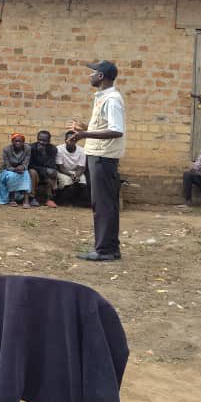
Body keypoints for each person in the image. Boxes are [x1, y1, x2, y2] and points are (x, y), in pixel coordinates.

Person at [69, 60, 126, 262]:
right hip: (98, 156)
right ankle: (109, 247)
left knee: (102, 205)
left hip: (103, 158)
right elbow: (105, 126)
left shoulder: (112, 99)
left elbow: (116, 130)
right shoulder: (103, 97)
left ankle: (105, 250)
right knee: (105, 204)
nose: (89, 76)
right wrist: (85, 127)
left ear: (101, 76)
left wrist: (84, 134)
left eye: (92, 72)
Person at [0, 133, 34, 207]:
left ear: (23, 142)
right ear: (12, 141)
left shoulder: (27, 148)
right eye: (16, 141)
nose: (18, 143)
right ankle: (12, 199)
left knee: (26, 174)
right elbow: (7, 164)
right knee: (11, 176)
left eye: (20, 141)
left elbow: (26, 162)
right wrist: (15, 169)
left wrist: (22, 167)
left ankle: (26, 200)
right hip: (8, 170)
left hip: (21, 170)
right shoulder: (6, 149)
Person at [55, 130, 89, 206]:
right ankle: (62, 201)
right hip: (63, 171)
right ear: (65, 140)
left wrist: (76, 175)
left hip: (76, 171)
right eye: (69, 139)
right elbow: (60, 167)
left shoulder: (82, 150)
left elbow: (81, 167)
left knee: (82, 183)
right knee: (67, 182)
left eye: (74, 139)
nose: (71, 141)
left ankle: (78, 202)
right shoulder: (59, 149)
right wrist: (71, 175)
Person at [28, 130, 59, 208]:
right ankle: (32, 198)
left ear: (49, 141)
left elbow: (51, 165)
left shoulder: (52, 149)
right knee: (32, 172)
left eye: (44, 140)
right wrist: (44, 170)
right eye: (39, 139)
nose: (41, 142)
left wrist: (44, 153)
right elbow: (30, 165)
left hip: (45, 173)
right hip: (35, 172)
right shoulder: (31, 148)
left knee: (53, 172)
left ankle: (49, 199)